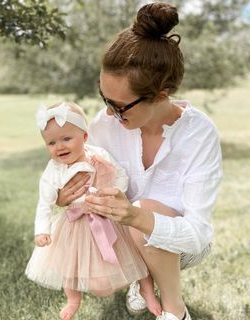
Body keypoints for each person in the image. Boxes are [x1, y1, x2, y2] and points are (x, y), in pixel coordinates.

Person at [56, 3, 222, 320]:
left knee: (147, 207)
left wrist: (134, 215)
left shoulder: (199, 134)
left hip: (182, 243)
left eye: (120, 106)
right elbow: (79, 179)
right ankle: (139, 274)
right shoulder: (105, 125)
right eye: (105, 99)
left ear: (161, 94)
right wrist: (67, 196)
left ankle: (175, 310)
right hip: (120, 236)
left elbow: (198, 235)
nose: (109, 113)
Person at [25, 101, 164, 320]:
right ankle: (73, 298)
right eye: (51, 143)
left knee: (131, 257)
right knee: (69, 265)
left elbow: (120, 175)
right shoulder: (54, 170)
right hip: (74, 224)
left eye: (66, 139)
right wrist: (42, 231)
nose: (59, 147)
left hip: (106, 217)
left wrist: (112, 192)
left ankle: (146, 288)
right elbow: (45, 202)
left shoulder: (98, 156)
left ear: (84, 137)